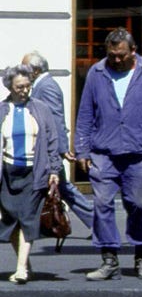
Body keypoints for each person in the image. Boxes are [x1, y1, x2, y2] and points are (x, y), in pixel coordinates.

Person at [75, 27, 142, 280]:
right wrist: (82, 150)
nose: (116, 60)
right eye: (112, 55)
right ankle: (109, 259)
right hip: (103, 154)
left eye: (121, 55)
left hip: (139, 153)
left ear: (133, 51)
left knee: (140, 205)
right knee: (101, 205)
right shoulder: (97, 73)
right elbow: (85, 114)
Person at [0, 65, 61, 284]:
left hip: (33, 173)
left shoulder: (40, 109)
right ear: (10, 87)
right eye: (20, 87)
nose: (25, 90)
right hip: (7, 174)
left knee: (27, 218)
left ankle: (20, 270)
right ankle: (24, 263)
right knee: (12, 220)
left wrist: (54, 169)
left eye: (27, 86)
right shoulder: (2, 110)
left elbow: (53, 140)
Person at [21, 51, 94, 230]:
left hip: (49, 149)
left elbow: (55, 119)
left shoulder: (47, 87)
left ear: (36, 70)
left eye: (25, 69)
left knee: (63, 187)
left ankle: (99, 224)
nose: (22, 73)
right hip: (43, 148)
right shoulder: (40, 85)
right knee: (58, 187)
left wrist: (61, 148)